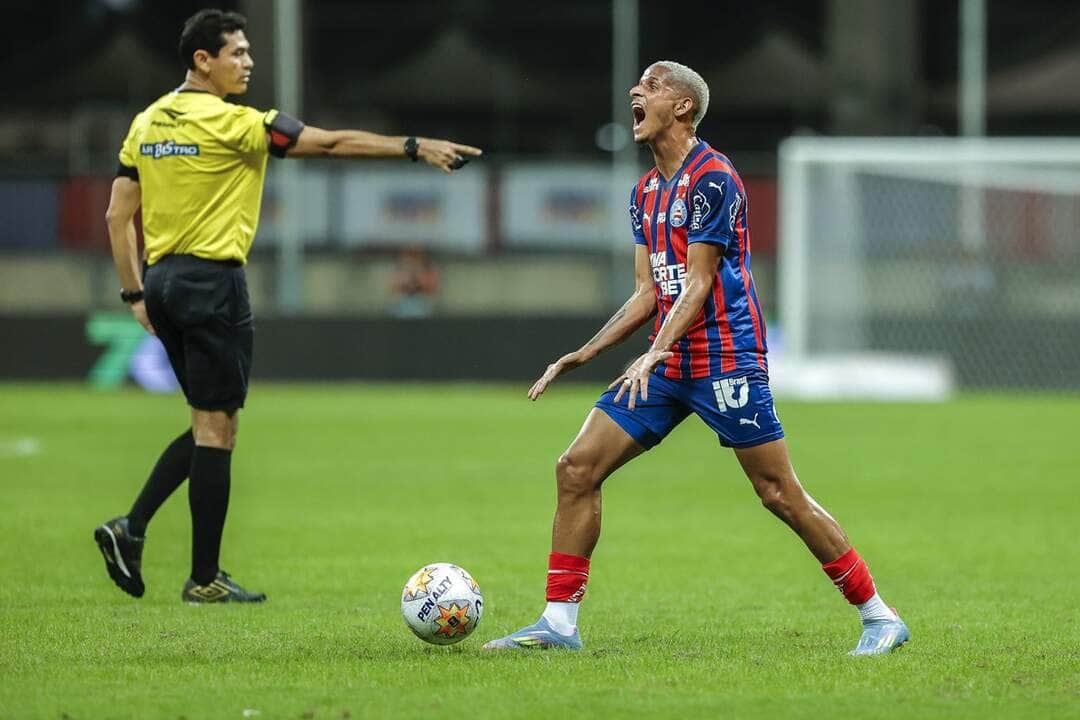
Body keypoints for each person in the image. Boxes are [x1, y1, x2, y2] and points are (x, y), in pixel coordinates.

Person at [483, 61, 908, 655]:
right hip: (665, 368)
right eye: (639, 85)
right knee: (576, 468)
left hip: (725, 360)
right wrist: (582, 354)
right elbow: (649, 292)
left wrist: (654, 350)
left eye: (652, 86)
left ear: (683, 107)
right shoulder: (645, 193)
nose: (637, 91)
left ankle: (880, 616)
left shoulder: (714, 178)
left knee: (778, 493)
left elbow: (700, 283)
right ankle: (558, 623)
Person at [95, 8, 481, 603]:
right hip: (211, 282)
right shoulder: (238, 123)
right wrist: (412, 146)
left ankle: (142, 535)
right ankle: (194, 573)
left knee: (207, 423)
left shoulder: (147, 122)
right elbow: (326, 144)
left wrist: (134, 292)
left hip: (164, 280)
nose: (248, 62)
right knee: (218, 429)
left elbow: (118, 215)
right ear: (203, 60)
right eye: (237, 52)